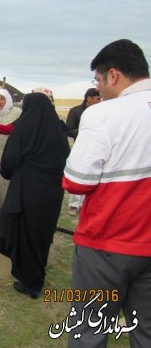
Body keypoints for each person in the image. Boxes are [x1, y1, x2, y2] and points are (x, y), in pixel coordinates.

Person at [63, 39, 151, 347]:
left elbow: (77, 180)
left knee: (89, 331)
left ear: (113, 75)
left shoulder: (103, 114)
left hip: (107, 241)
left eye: (98, 81)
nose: (98, 89)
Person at [0, 93, 70, 299]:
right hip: (53, 191)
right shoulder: (57, 129)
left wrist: (13, 172)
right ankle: (38, 269)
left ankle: (31, 282)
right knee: (42, 233)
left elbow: (8, 163)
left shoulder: (24, 128)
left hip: (28, 191)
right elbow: (66, 158)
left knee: (26, 234)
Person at [65, 87, 101, 216]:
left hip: (98, 148)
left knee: (93, 175)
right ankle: (74, 205)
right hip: (80, 147)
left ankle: (87, 204)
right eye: (98, 99)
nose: (100, 101)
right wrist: (85, 134)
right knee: (78, 175)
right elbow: (68, 129)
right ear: (89, 99)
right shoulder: (75, 111)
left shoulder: (101, 111)